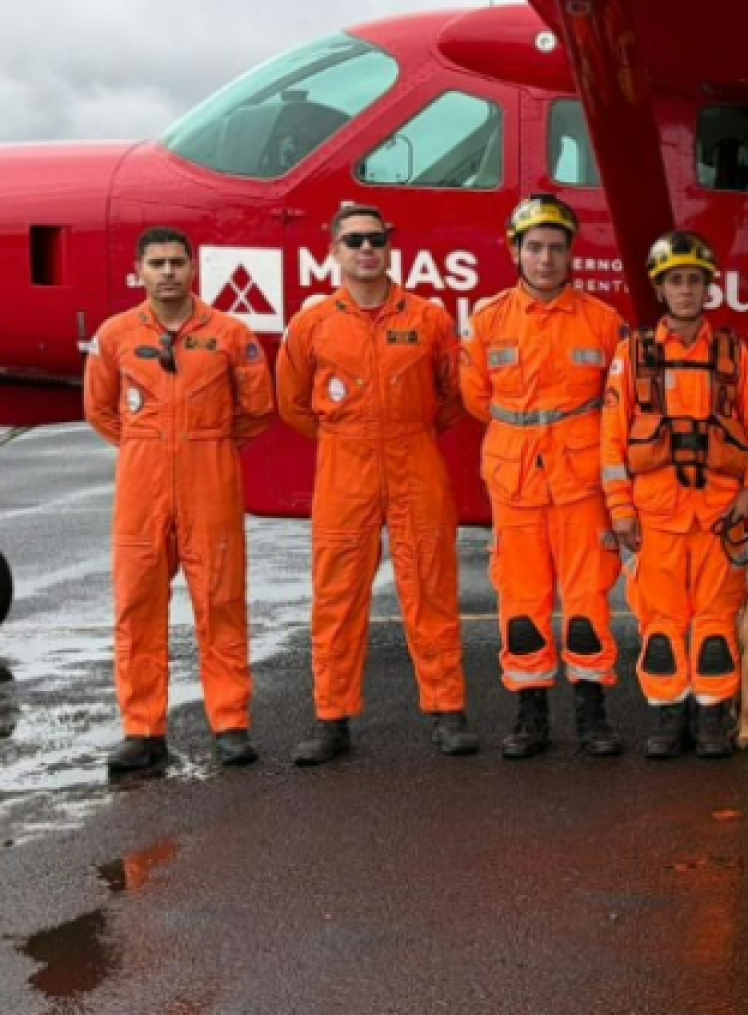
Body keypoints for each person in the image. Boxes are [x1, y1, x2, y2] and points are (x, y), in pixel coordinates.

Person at [278, 203, 476, 764]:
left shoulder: (429, 318)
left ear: (389, 248)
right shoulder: (313, 324)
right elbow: (292, 403)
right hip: (345, 467)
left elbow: (451, 395)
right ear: (334, 253)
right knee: (337, 596)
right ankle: (332, 718)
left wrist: (408, 432)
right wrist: (347, 436)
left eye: (376, 240)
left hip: (416, 460)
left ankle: (447, 710)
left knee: (432, 588)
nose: (366, 249)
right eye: (354, 241)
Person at [84, 227, 276, 772]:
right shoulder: (116, 334)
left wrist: (205, 444)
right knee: (137, 605)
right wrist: (149, 446)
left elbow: (258, 409)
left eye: (177, 262)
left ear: (193, 269)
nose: (168, 272)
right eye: (157, 263)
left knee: (220, 602)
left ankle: (230, 725)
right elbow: (99, 409)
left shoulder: (231, 334)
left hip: (210, 476)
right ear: (139, 270)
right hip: (142, 480)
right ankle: (143, 731)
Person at [462, 194, 627, 759]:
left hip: (582, 480)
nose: (546, 259)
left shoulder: (603, 323)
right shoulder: (488, 322)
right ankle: (530, 714)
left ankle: (592, 712)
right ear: (516, 251)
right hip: (515, 481)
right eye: (534, 247)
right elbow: (477, 399)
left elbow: (621, 404)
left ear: (570, 254)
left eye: (556, 248)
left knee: (588, 599)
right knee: (522, 600)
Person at [601, 231, 748, 760]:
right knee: (661, 621)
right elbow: (611, 437)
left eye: (694, 281)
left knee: (718, 620)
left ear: (708, 289)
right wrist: (620, 509)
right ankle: (666, 716)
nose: (685, 290)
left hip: (722, 514)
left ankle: (710, 717)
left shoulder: (732, 354)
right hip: (656, 515)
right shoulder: (633, 355)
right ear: (660, 288)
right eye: (675, 281)